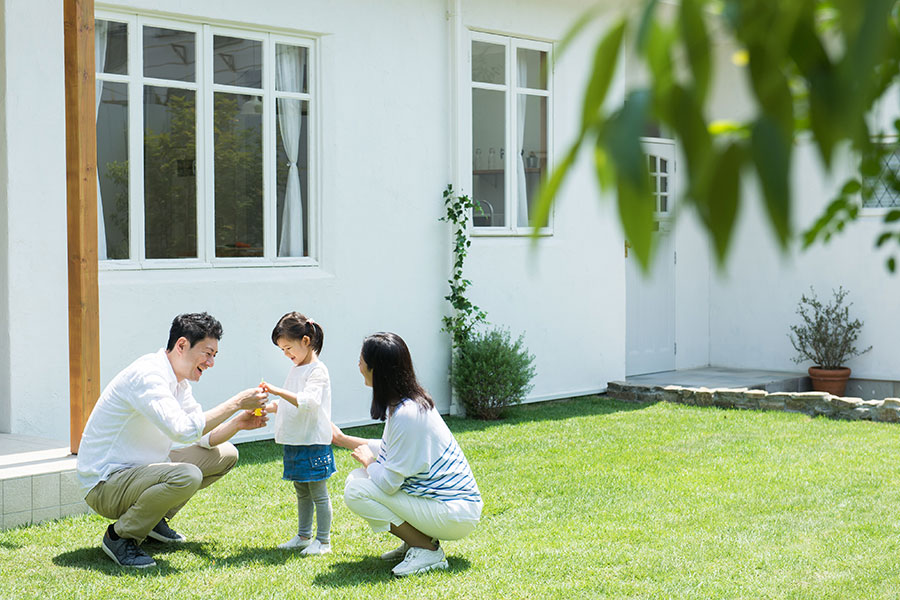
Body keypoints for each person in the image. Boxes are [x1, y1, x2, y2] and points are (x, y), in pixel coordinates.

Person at [76, 312, 269, 568]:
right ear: (181, 345)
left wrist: (238, 423)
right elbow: (182, 431)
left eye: (214, 355)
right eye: (207, 353)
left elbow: (202, 436)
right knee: (187, 475)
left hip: (138, 474)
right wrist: (236, 403)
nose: (211, 363)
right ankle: (120, 537)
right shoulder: (148, 376)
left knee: (226, 455)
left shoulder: (179, 383)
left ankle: (152, 521)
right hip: (105, 484)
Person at [332, 332, 483, 577]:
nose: (358, 365)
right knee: (357, 479)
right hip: (449, 508)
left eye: (361, 360)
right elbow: (391, 448)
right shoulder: (406, 404)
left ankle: (426, 548)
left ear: (377, 369)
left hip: (453, 513)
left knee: (357, 490)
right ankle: (415, 540)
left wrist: (369, 462)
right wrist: (341, 439)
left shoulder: (407, 414)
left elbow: (389, 484)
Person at [261, 312, 335, 555]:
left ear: (305, 340)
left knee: (319, 494)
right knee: (302, 491)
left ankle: (323, 541)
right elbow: (292, 402)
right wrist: (270, 406)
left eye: (288, 348)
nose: (286, 354)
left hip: (312, 441)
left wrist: (277, 391)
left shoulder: (317, 371)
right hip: (297, 440)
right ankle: (304, 536)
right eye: (282, 350)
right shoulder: (296, 369)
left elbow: (308, 401)